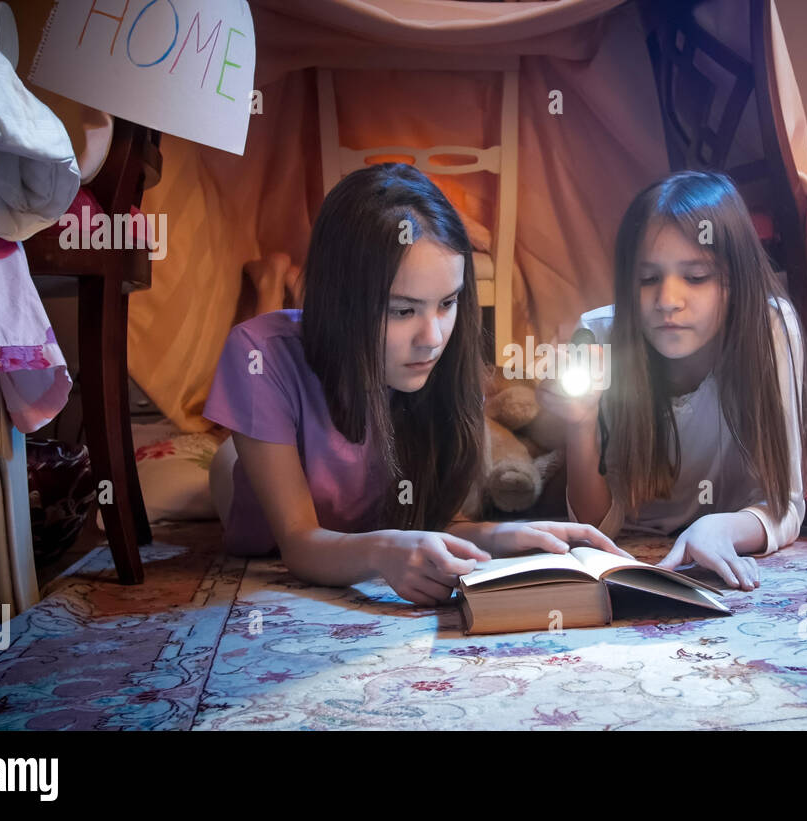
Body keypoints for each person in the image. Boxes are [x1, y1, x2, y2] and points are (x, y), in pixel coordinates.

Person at [205, 163, 623, 605]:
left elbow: (432, 523)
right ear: (341, 299)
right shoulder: (259, 353)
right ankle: (272, 284)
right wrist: (383, 550)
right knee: (241, 431)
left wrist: (507, 534)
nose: (433, 339)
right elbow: (299, 541)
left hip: (356, 504)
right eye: (402, 311)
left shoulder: (446, 363)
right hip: (245, 480)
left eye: (447, 303)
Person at [541, 170, 807, 591]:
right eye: (648, 279)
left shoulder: (771, 328)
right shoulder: (599, 337)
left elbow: (784, 503)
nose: (668, 301)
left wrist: (720, 530)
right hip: (633, 547)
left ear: (735, 281)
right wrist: (580, 423)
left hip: (724, 527)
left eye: (696, 277)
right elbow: (597, 525)